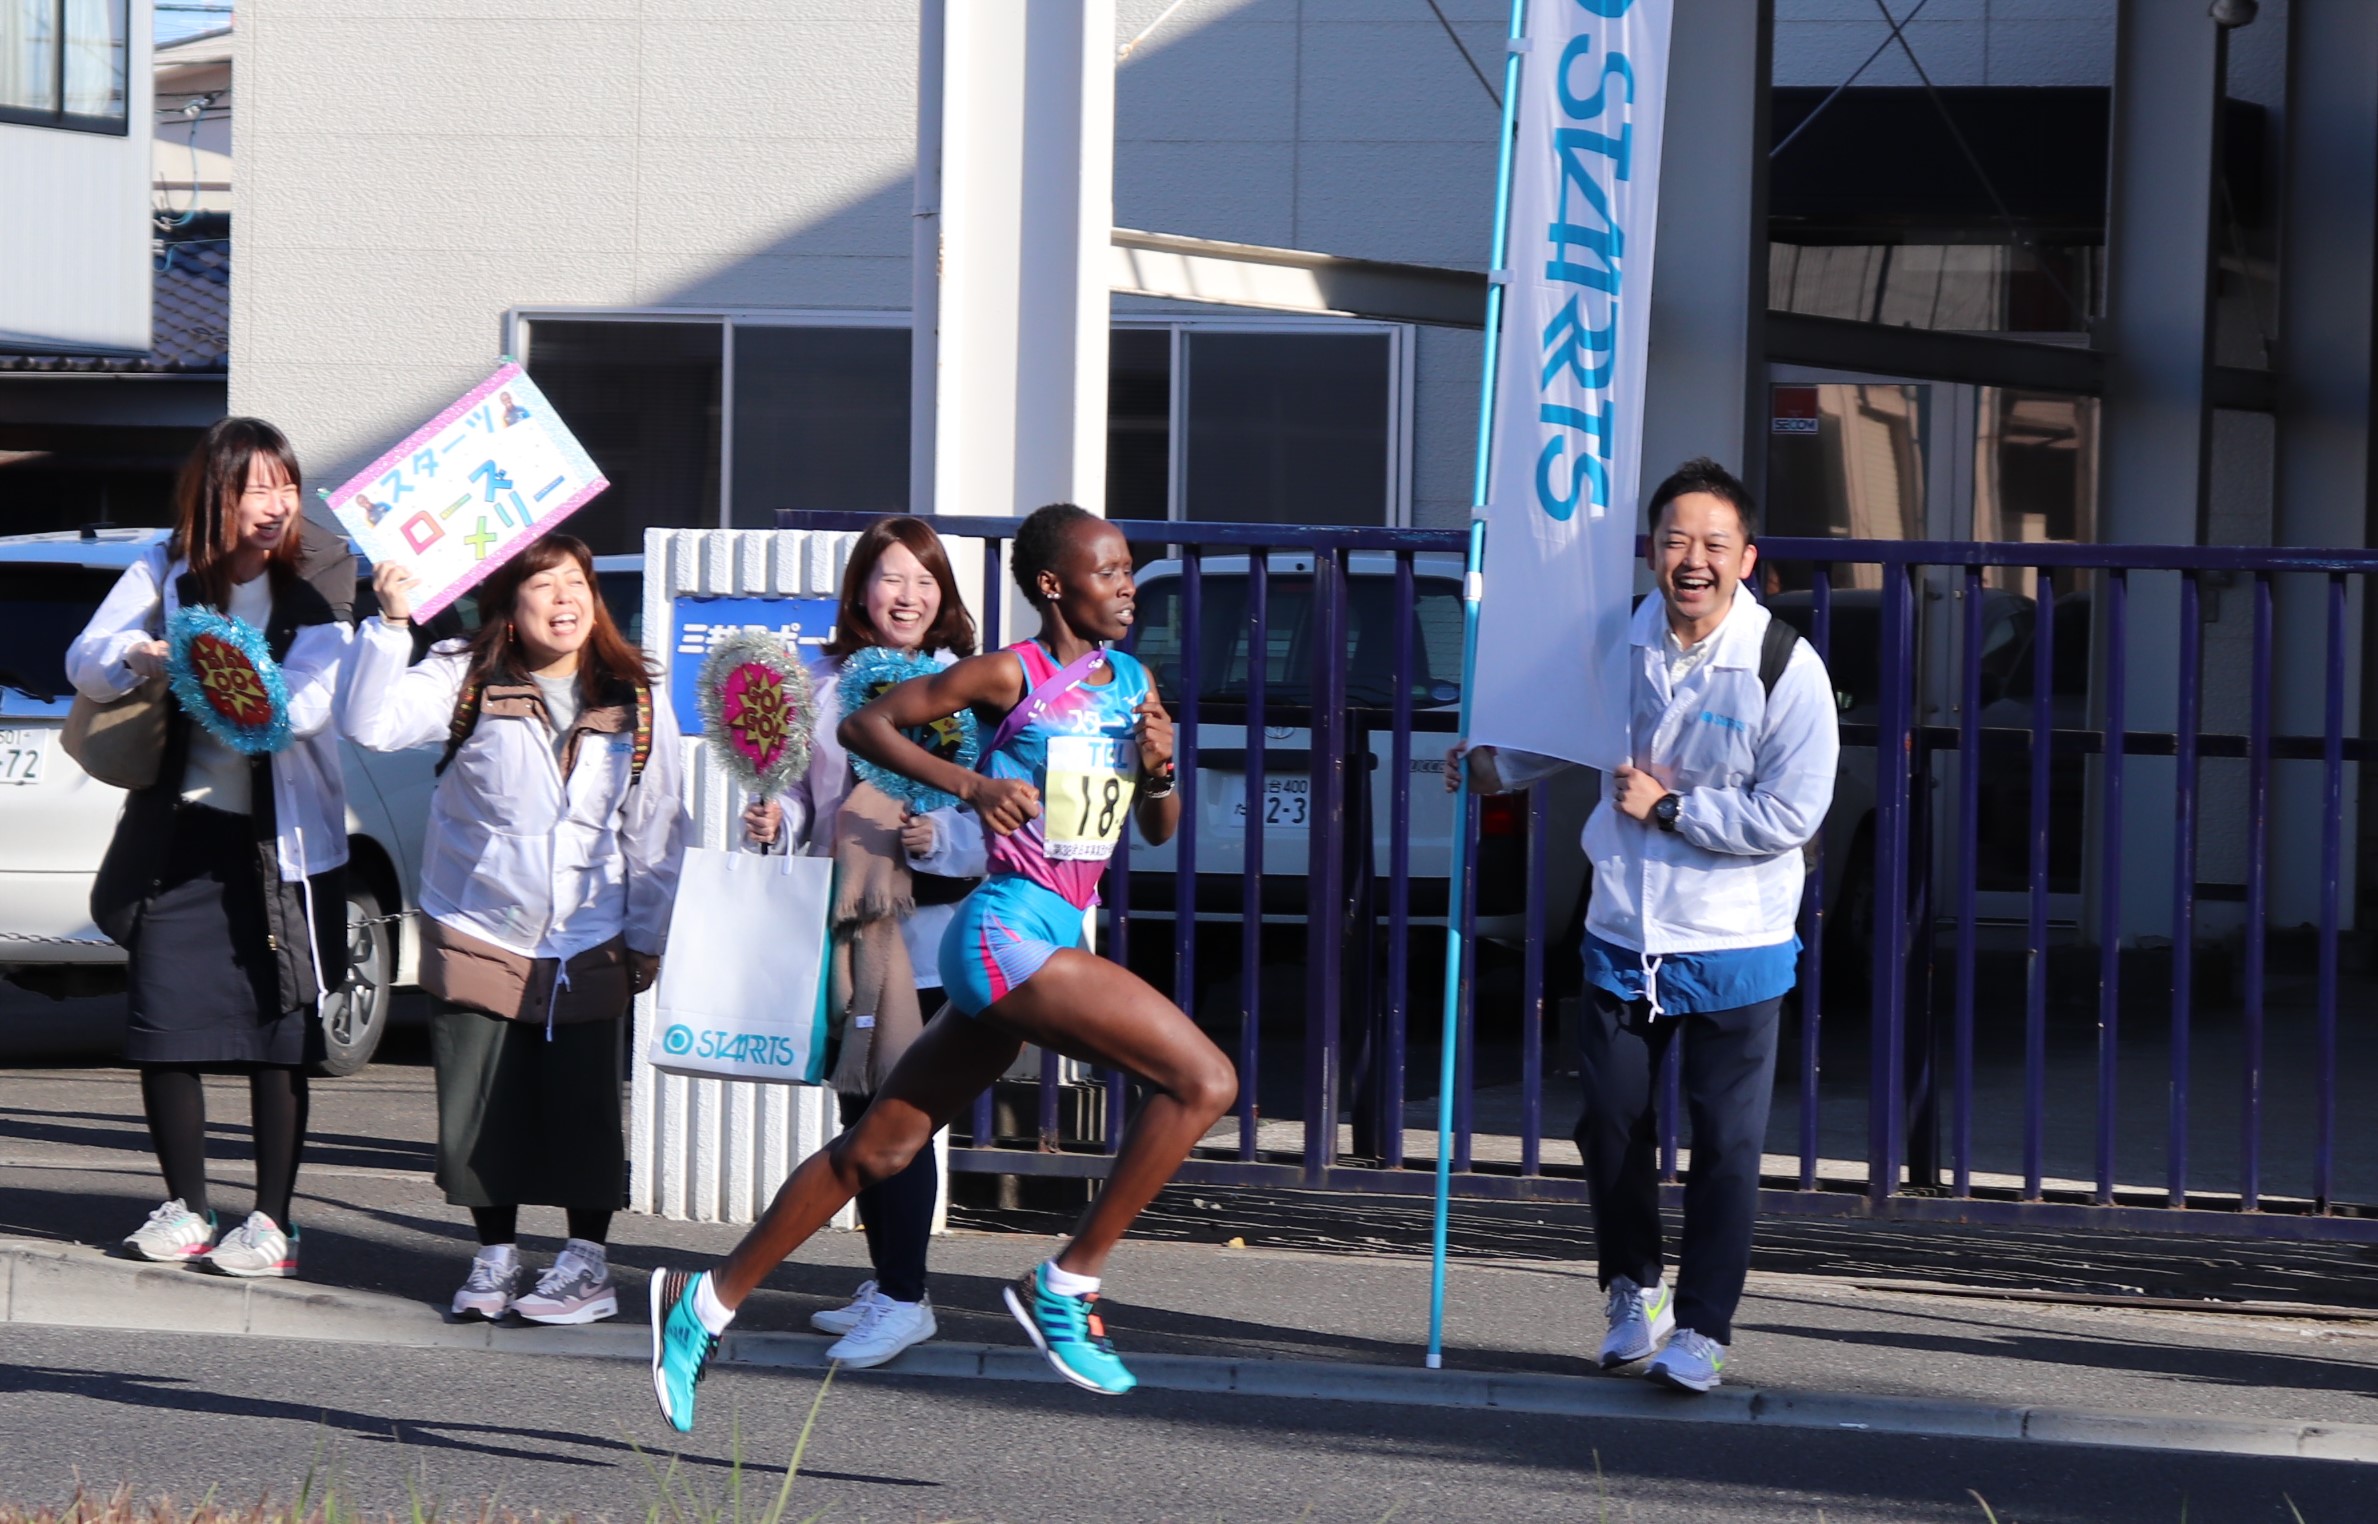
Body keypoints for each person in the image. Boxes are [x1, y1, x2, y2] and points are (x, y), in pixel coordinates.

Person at [650, 503, 1236, 1429]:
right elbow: (867, 726)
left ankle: (705, 1303)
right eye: (1111, 569)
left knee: (880, 1147)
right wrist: (974, 785)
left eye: (1131, 570)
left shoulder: (1133, 682)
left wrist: (1160, 772)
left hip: (1048, 933)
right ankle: (1067, 1284)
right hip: (1003, 934)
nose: (1129, 586)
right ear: (1054, 584)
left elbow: (1154, 830)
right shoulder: (1011, 673)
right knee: (1205, 1079)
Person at [1451, 458, 1838, 1394]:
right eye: (1675, 540)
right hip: (1625, 931)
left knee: (1727, 1145)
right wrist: (1491, 765)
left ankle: (1704, 1328)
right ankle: (1633, 1291)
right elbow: (1555, 740)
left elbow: (1793, 816)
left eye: (1713, 544)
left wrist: (1672, 811)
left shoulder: (1785, 666)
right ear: (1652, 550)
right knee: (1611, 1127)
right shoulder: (1609, 646)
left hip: (1736, 943)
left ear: (1746, 559)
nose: (1692, 559)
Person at [347, 534, 686, 1325]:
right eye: (543, 586)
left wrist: (647, 933)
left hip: (590, 928)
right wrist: (390, 625)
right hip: (480, 921)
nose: (565, 600)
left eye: (577, 582)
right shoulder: (464, 675)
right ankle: (494, 1256)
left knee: (585, 1109)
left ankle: (586, 1266)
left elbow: (657, 823)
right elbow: (369, 724)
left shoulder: (633, 692)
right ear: (510, 602)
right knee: (476, 1103)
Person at [69, 417, 351, 1279]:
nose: (277, 505)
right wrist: (142, 655)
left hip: (279, 841)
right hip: (179, 830)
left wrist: (237, 682)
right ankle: (188, 1206)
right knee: (164, 1028)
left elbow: (312, 700)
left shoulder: (325, 567)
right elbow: (87, 655)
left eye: (288, 485)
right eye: (257, 487)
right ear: (216, 494)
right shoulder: (168, 563)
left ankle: (274, 1222)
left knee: (279, 1035)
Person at [739, 516, 987, 1368]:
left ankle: (910, 1298)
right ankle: (887, 1283)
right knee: (861, 1110)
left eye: (924, 580)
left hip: (925, 939)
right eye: (891, 578)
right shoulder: (824, 685)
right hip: (843, 930)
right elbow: (809, 798)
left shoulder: (965, 687)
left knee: (900, 1117)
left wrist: (939, 840)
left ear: (944, 595)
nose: (908, 596)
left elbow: (999, 818)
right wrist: (781, 820)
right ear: (861, 592)